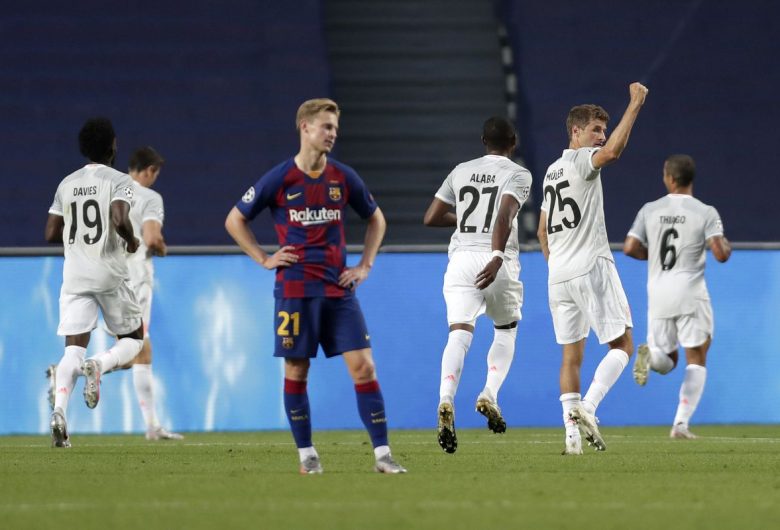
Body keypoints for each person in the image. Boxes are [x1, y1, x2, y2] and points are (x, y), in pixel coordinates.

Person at [225, 98, 406, 474]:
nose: (332, 134)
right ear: (305, 128)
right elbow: (235, 219)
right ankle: (307, 456)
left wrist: (365, 265)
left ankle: (383, 455)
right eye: (326, 127)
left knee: (364, 368)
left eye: (335, 128)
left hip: (339, 291)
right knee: (297, 371)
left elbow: (377, 219)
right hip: (295, 291)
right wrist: (264, 258)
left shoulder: (343, 177)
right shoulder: (280, 178)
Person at [537, 82, 648, 455]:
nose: (601, 136)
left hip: (558, 275)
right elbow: (613, 152)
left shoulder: (551, 172)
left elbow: (541, 230)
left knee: (571, 356)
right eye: (596, 129)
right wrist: (635, 103)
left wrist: (558, 264)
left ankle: (571, 440)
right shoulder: (582, 161)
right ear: (576, 132)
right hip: (591, 265)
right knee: (623, 344)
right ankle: (589, 405)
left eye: (604, 129)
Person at [423, 117, 532, 454]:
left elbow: (431, 217)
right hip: (497, 259)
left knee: (459, 334)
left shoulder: (461, 171)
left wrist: (468, 220)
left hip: (461, 259)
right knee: (506, 330)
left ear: (483, 141)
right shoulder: (518, 174)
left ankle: (445, 397)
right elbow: (504, 215)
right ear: (513, 143)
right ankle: (489, 393)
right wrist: (497, 255)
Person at [45, 117, 145, 447]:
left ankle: (59, 412)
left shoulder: (66, 183)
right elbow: (119, 218)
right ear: (113, 146)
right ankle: (99, 365)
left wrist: (76, 238)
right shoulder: (121, 180)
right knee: (134, 339)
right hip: (109, 273)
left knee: (72, 349)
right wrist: (131, 240)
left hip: (75, 275)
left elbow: (51, 233)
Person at [624, 154, 731, 439]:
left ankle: (651, 356)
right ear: (690, 178)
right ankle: (680, 425)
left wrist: (654, 259)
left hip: (658, 293)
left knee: (667, 359)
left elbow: (630, 247)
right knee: (696, 356)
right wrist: (726, 246)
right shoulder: (705, 211)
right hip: (690, 292)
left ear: (669, 178)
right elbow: (720, 254)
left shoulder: (650, 209)